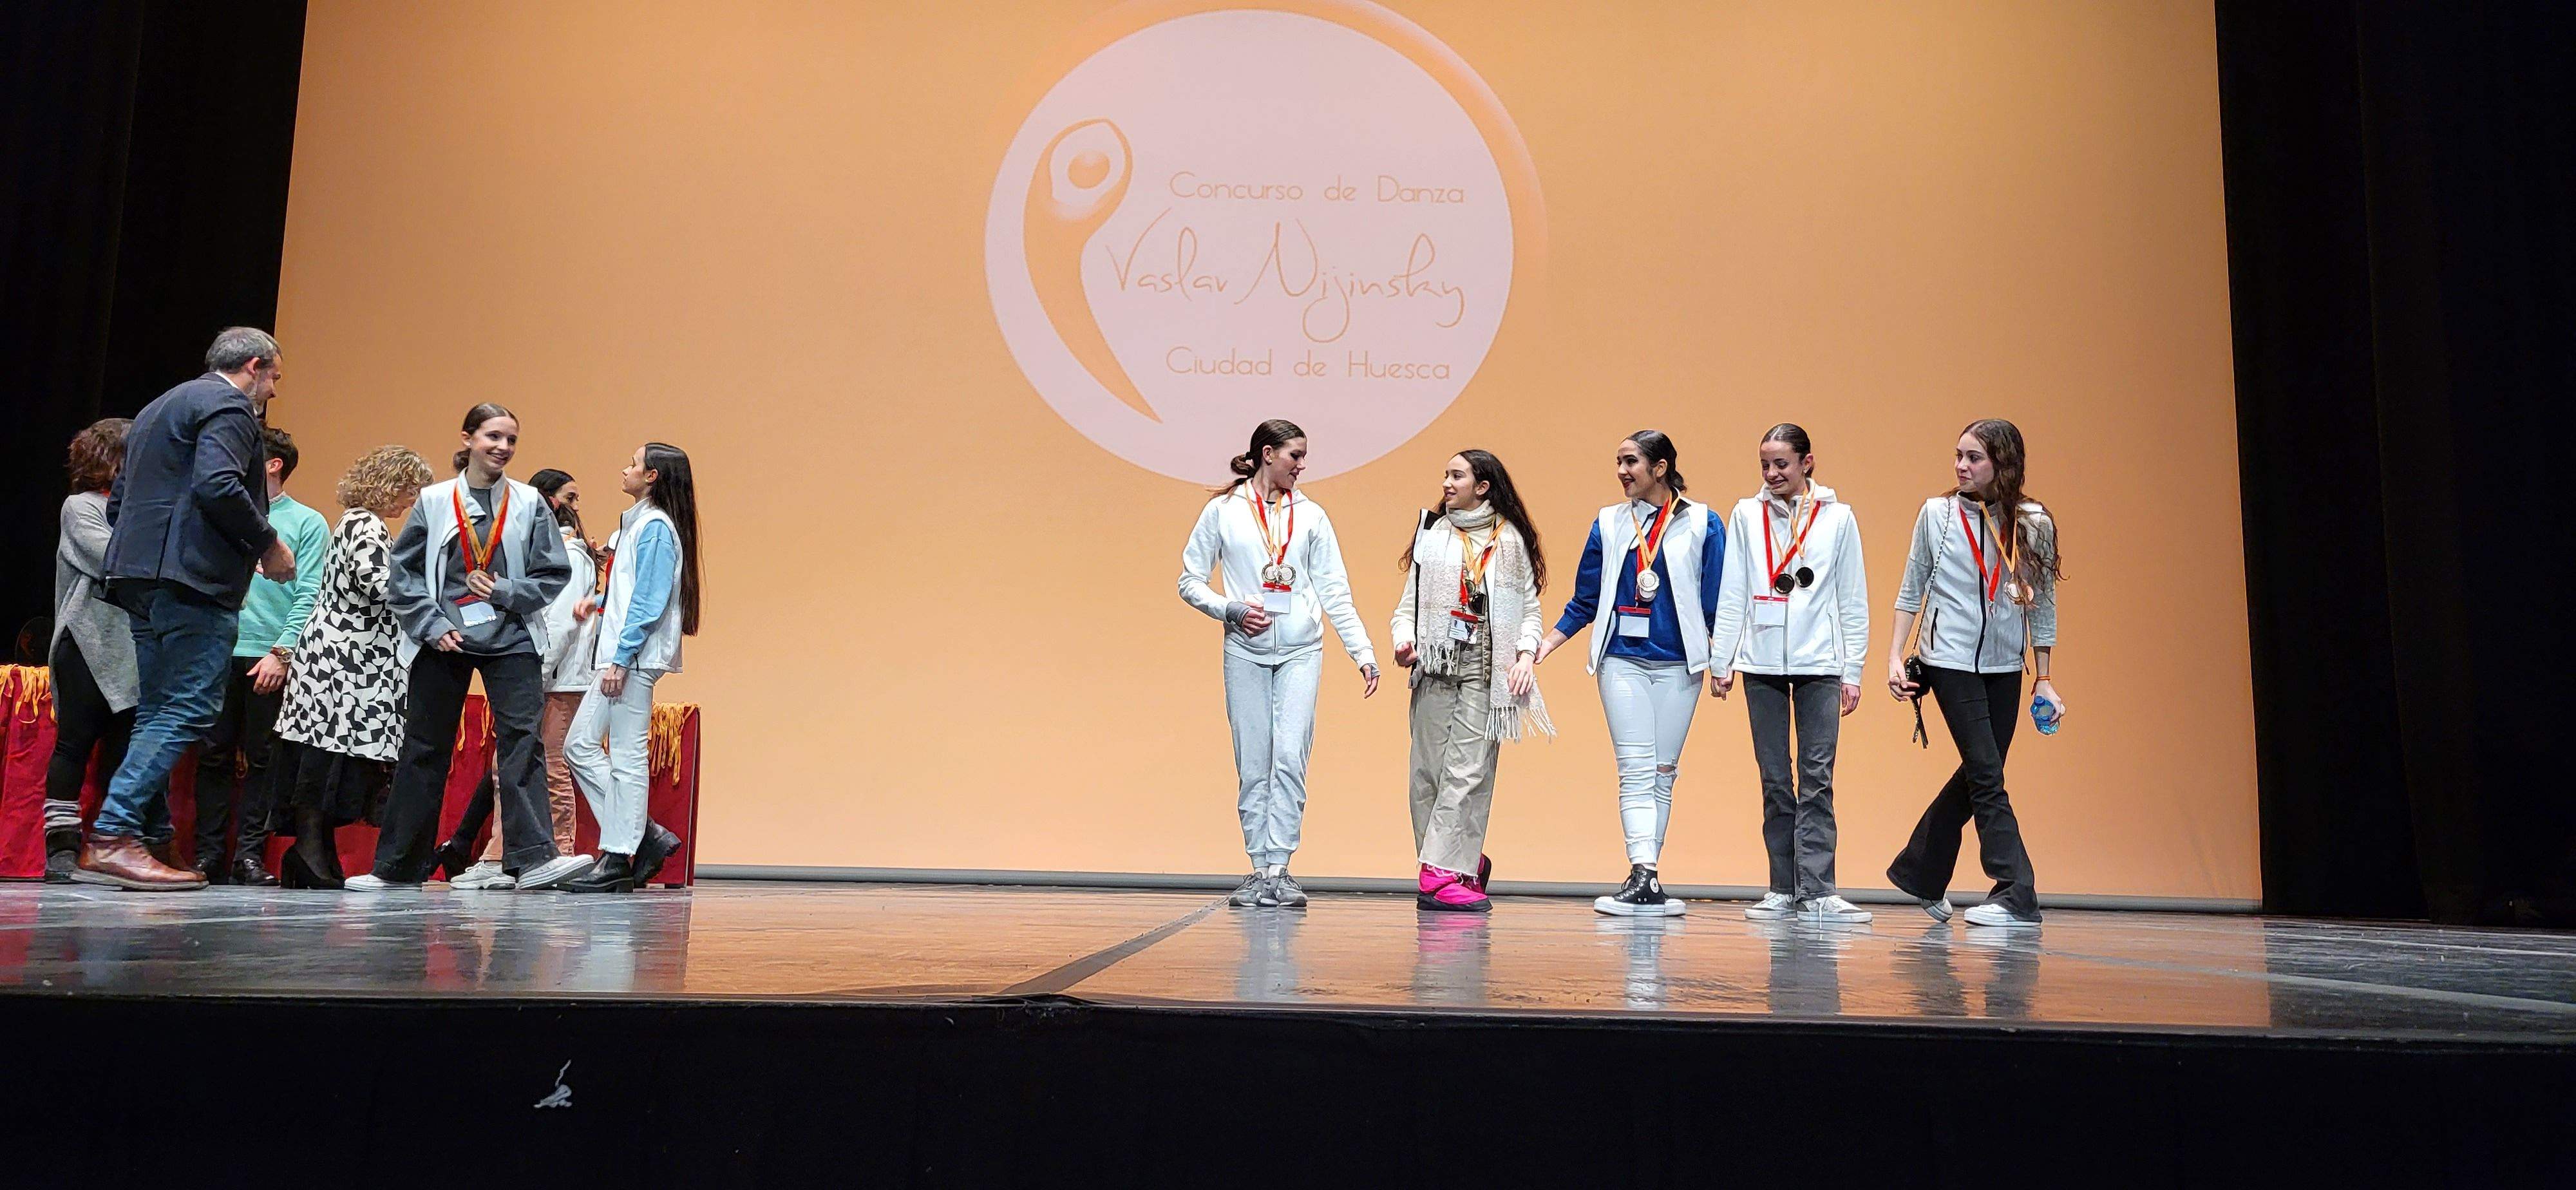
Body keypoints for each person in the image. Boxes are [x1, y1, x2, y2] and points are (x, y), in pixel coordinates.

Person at [78, 328, 299, 891]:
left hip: (138, 576)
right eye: (273, 378)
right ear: (255, 366)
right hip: (191, 582)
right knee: (192, 709)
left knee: (157, 710)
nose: (272, 391)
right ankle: (113, 835)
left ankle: (147, 838)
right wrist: (267, 545)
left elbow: (122, 501)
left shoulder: (158, 407)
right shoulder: (229, 404)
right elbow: (220, 485)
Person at [346, 404, 588, 892]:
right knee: (423, 749)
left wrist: (503, 592)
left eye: (511, 440)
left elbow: (552, 574)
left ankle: (534, 859)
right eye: (493, 437)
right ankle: (396, 869)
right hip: (445, 640)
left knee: (524, 745)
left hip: (512, 638)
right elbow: (405, 574)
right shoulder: (435, 501)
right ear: (468, 438)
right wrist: (431, 624)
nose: (502, 448)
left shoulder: (527, 502)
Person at [1179, 419, 1379, 910]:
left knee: (1290, 757)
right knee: (1253, 761)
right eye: (1295, 456)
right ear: (1268, 454)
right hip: (1244, 650)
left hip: (1301, 651)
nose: (1302, 465)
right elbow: (1189, 580)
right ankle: (1256, 869)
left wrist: (1364, 653)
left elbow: (1334, 590)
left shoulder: (1311, 516)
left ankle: (1281, 868)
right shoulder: (1223, 511)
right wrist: (1230, 609)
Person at [1533, 430, 1723, 917]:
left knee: (1664, 773)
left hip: (1682, 665)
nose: (1621, 471)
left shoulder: (1703, 523)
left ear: (1660, 468)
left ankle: (1649, 877)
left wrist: (1721, 661)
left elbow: (1716, 603)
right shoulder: (1609, 522)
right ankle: (1642, 871)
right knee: (1636, 768)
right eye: (1618, 462)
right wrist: (1547, 644)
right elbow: (1586, 598)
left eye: (1630, 462)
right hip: (1621, 661)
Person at [1884, 418, 2066, 929]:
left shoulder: (2033, 522)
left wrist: (2044, 677)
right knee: (1987, 775)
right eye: (1958, 455)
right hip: (1949, 660)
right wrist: (1896, 656)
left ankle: (1921, 870)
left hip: (2006, 663)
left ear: (2002, 464)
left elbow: (2043, 604)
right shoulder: (1937, 514)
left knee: (1981, 774)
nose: (1961, 466)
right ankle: (2016, 891)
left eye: (1974, 458)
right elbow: (1911, 587)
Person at [1706, 424, 1872, 923]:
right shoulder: (1745, 514)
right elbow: (1733, 589)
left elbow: (1852, 598)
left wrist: (1853, 669)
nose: (1772, 473)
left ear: (1807, 463)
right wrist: (1723, 660)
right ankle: (1782, 887)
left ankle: (1819, 889)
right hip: (1761, 663)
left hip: (1821, 662)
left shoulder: (1838, 519)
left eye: (1782, 463)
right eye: (1765, 464)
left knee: (1817, 778)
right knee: (1776, 778)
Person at [1389, 450, 1552, 913]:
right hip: (1435, 668)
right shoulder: (1434, 534)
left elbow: (1529, 608)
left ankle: (1437, 874)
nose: (1446, 482)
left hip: (1485, 669)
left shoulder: (1510, 540)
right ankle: (1462, 863)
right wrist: (1405, 642)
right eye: (1445, 473)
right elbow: (1407, 607)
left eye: (1456, 475)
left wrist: (1524, 656)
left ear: (1483, 486)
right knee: (1426, 776)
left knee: (1465, 774)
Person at [271, 445, 435, 889]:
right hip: (343, 662)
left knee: (329, 757)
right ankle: (308, 851)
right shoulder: (365, 523)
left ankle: (314, 852)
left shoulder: (362, 523)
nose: (411, 502)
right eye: (409, 491)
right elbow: (380, 585)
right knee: (324, 760)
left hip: (347, 659)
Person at [182, 425, 328, 887]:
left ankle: (249, 856)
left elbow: (310, 595)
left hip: (268, 655)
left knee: (265, 760)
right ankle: (207, 855)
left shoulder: (307, 522)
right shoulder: (221, 512)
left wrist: (282, 652)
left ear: (272, 464)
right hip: (216, 650)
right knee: (212, 756)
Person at [438, 467, 597, 889]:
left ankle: (556, 852)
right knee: (506, 767)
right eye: (569, 495)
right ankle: (499, 857)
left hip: (556, 678)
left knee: (547, 769)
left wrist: (535, 674)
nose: (572, 506)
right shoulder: (534, 550)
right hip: (546, 673)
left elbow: (561, 623)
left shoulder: (572, 556)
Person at [560, 448, 698, 893]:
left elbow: (649, 600)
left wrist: (621, 658)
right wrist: (598, 604)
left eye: (634, 463)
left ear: (652, 476)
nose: (625, 468)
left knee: (625, 755)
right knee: (580, 745)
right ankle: (643, 835)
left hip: (632, 658)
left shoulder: (655, 527)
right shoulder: (638, 523)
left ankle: (620, 852)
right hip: (622, 653)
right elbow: (629, 593)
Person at [44, 419, 165, 882]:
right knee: (74, 743)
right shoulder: (81, 507)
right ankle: (61, 846)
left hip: (136, 646)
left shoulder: (140, 511)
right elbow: (110, 557)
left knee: (123, 748)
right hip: (90, 643)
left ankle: (115, 843)